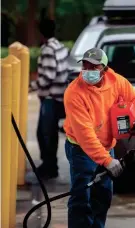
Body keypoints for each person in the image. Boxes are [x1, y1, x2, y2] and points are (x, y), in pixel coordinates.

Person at [63, 47, 135, 228]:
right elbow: (85, 135)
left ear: (104, 68)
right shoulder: (74, 93)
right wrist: (107, 161)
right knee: (82, 199)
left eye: (93, 67)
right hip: (81, 150)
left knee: (102, 196)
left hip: (106, 146)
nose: (88, 71)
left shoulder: (116, 81)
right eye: (85, 66)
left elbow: (134, 98)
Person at [29, 19, 69, 179]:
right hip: (60, 96)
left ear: (41, 33)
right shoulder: (60, 46)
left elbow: (48, 76)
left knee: (44, 134)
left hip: (50, 98)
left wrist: (31, 86)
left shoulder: (47, 49)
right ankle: (51, 166)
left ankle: (49, 166)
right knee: (50, 133)